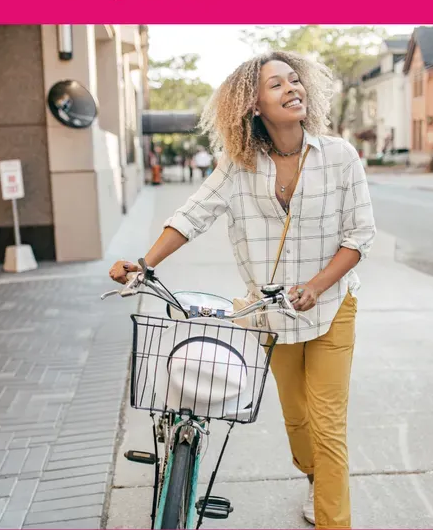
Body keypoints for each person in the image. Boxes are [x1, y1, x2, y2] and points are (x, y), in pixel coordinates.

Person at [110, 51, 376, 529]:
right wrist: (144, 265)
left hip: (332, 308)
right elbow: (193, 215)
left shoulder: (339, 156)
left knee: (329, 426)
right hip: (270, 316)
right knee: (298, 421)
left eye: (295, 80)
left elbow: (359, 237)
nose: (292, 88)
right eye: (276, 85)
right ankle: (315, 476)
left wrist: (317, 285)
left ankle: (335, 517)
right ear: (252, 104)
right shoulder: (239, 166)